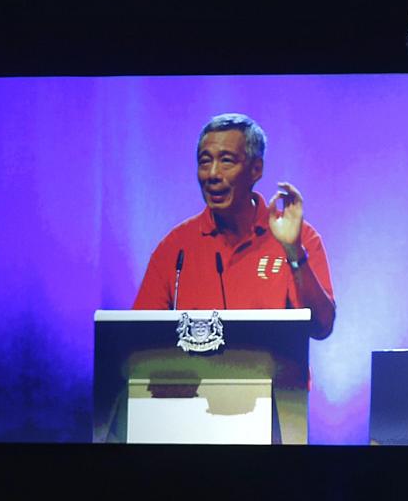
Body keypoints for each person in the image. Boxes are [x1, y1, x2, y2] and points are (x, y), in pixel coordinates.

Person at [133, 113, 336, 339]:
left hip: (276, 375)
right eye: (205, 161)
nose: (212, 174)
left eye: (226, 161)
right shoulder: (175, 247)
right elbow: (140, 339)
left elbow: (322, 327)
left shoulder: (300, 238)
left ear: (256, 169)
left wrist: (294, 252)